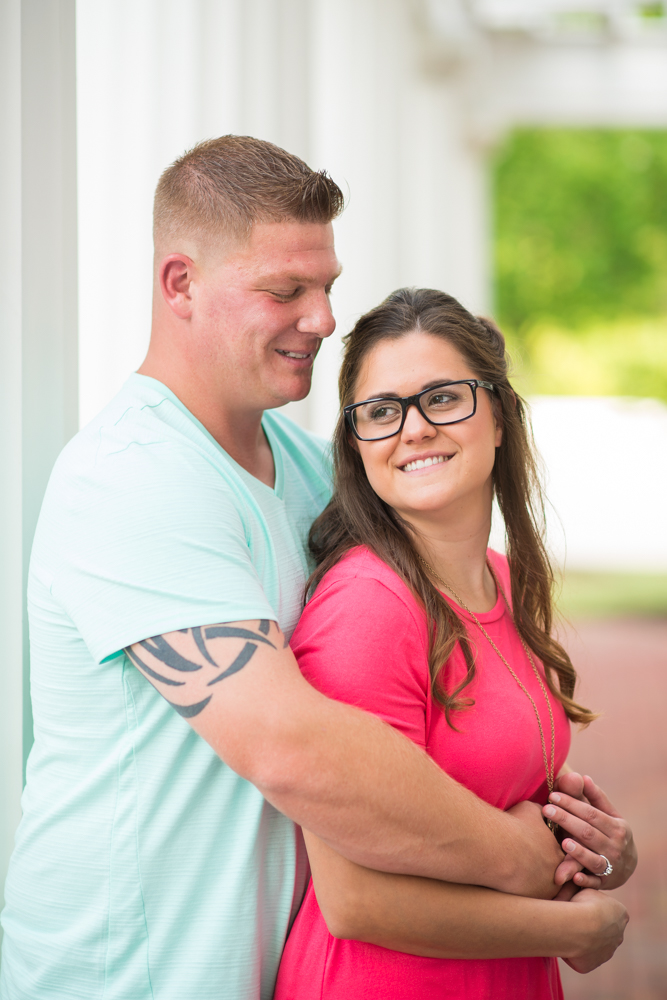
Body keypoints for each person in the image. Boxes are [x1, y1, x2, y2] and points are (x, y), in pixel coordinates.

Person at [0, 138, 618, 1000]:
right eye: (284, 290)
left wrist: (572, 830)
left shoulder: (302, 467)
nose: (323, 318)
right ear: (179, 283)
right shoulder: (133, 474)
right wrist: (519, 857)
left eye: (325, 286)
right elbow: (292, 746)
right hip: (126, 976)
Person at [274, 288, 636, 999]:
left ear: (497, 416)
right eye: (380, 411)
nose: (411, 429)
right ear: (356, 444)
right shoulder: (365, 610)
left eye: (442, 398)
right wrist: (573, 930)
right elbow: (353, 901)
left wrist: (597, 852)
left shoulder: (502, 582)